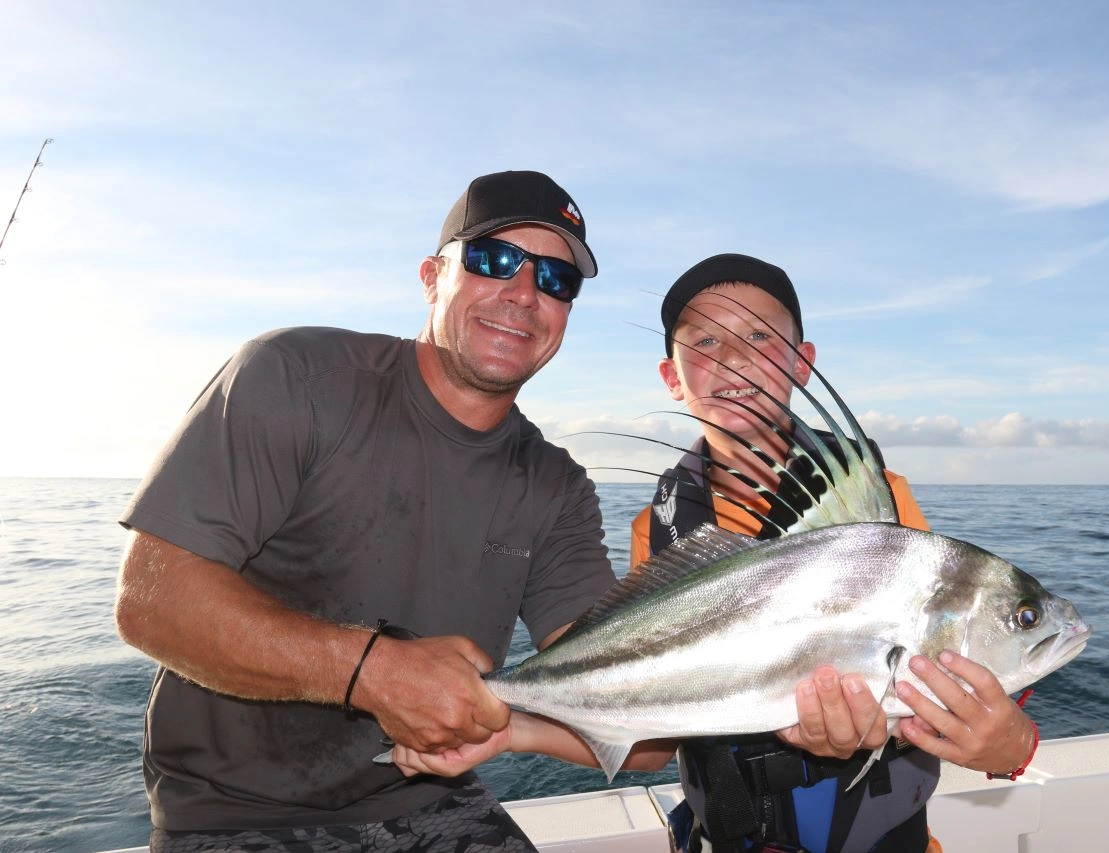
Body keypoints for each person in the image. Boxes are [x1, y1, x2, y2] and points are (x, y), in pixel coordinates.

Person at [114, 170, 668, 853]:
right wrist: (372, 670)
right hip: (235, 816)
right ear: (433, 276)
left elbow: (642, 737)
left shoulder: (556, 488)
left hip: (438, 801)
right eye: (495, 260)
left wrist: (799, 682)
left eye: (557, 279)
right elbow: (152, 600)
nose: (524, 293)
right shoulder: (293, 377)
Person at [629, 254, 1040, 853]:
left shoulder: (875, 498)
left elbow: (939, 647)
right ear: (673, 376)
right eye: (706, 341)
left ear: (803, 363)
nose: (734, 358)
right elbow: (654, 717)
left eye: (761, 336)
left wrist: (1009, 744)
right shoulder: (660, 526)